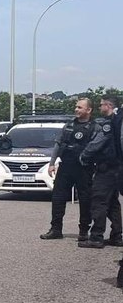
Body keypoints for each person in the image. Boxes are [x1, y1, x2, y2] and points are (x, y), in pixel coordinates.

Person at [40, 98, 97, 240]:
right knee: (58, 198)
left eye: (80, 107)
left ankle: (84, 231)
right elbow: (58, 144)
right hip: (66, 166)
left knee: (85, 200)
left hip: (84, 168)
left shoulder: (95, 127)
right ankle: (56, 229)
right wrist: (52, 163)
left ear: (88, 110)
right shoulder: (69, 125)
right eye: (76, 107)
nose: (76, 109)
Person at [79, 95, 123, 248]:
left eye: (101, 105)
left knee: (98, 201)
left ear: (108, 106)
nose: (99, 108)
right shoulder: (118, 121)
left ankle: (96, 237)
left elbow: (98, 143)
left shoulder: (109, 124)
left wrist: (84, 155)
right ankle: (117, 236)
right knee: (112, 203)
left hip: (106, 168)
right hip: (116, 167)